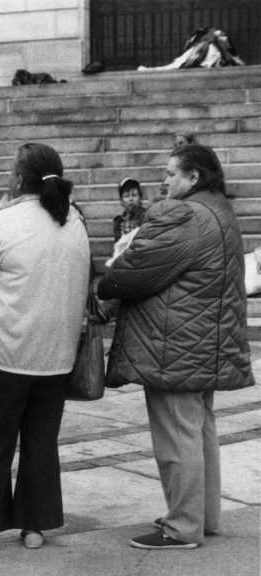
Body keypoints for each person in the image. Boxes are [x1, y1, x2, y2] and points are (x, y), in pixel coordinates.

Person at [98, 144, 254, 550]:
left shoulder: (183, 213)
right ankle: (204, 517)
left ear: (194, 177)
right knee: (199, 430)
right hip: (206, 341)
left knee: (176, 437)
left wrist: (106, 280)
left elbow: (135, 273)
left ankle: (182, 526)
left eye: (171, 174)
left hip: (175, 344)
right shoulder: (220, 211)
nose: (164, 181)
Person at [0, 143, 90, 554]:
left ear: (16, 178)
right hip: (57, 353)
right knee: (41, 442)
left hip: (6, 350)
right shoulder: (73, 219)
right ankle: (34, 526)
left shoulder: (5, 221)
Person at [112, 177, 146, 242]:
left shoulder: (147, 216)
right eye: (126, 196)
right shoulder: (118, 222)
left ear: (141, 198)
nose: (130, 199)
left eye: (134, 195)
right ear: (121, 201)